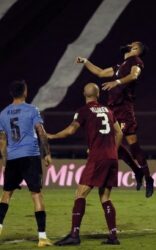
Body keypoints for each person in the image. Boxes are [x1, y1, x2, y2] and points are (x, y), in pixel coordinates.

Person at [76, 41, 154, 198]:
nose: (130, 45)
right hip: (113, 110)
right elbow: (99, 72)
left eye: (134, 45)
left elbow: (134, 75)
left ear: (138, 51)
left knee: (131, 145)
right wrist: (86, 61)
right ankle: (138, 172)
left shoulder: (136, 62)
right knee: (117, 146)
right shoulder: (120, 66)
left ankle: (148, 178)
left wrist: (116, 82)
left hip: (124, 109)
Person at [48, 83, 123, 245]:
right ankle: (113, 236)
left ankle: (74, 235)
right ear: (98, 95)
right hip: (112, 157)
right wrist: (112, 150)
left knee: (80, 194)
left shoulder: (83, 111)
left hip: (98, 158)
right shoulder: (108, 111)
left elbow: (70, 131)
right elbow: (119, 132)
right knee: (105, 197)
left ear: (84, 94)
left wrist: (52, 136)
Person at [0, 80, 52, 247]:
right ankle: (42, 237)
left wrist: (4, 161)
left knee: (6, 194)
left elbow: (2, 141)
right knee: (36, 195)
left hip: (13, 158)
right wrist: (47, 153)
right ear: (25, 92)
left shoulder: (3, 113)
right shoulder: (32, 109)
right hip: (30, 156)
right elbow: (41, 132)